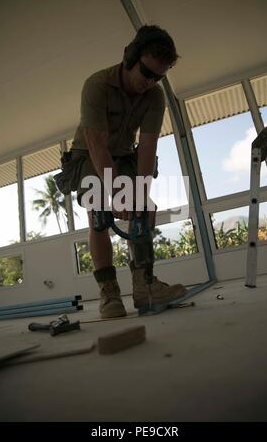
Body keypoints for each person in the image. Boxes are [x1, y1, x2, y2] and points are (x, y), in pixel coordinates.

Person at [70, 24, 188, 318]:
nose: (151, 82)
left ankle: (144, 287)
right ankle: (109, 293)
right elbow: (97, 145)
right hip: (88, 153)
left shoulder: (155, 96)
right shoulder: (96, 85)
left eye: (159, 77)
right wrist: (116, 192)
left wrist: (141, 197)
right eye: (147, 73)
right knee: (98, 213)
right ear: (129, 58)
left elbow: (148, 149)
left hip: (126, 154)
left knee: (140, 210)